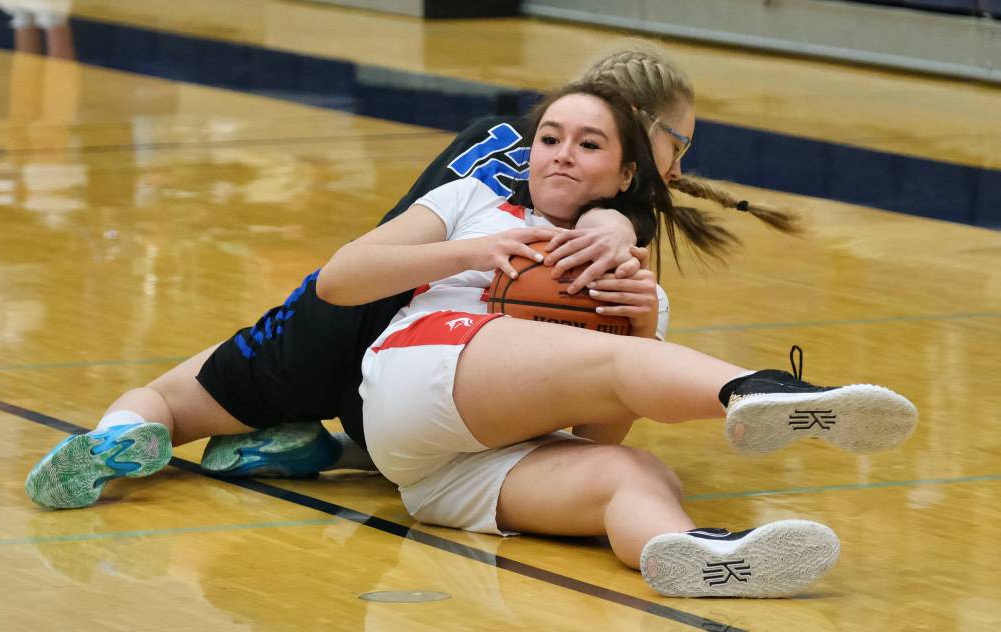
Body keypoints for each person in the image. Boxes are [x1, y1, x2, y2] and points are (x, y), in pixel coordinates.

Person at [27, 80, 916, 599]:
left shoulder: (628, 280)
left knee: (635, 475)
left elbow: (601, 431)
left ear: (627, 174)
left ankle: (689, 556)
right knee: (617, 362)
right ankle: (762, 392)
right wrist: (475, 249)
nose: (560, 154)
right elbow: (339, 279)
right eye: (549, 139)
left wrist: (642, 316)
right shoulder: (473, 205)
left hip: (441, 472)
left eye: (588, 145)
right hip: (420, 371)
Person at [197, 46, 799, 479]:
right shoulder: (600, 206)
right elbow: (594, 427)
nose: (681, 167)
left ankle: (153, 427)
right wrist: (612, 227)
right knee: (602, 389)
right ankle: (750, 390)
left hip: (361, 327)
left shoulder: (504, 142)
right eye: (682, 145)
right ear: (639, 144)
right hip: (387, 341)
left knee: (181, 398)